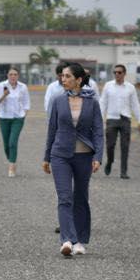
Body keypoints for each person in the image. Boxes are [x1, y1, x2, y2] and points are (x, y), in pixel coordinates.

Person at [43, 62, 104, 257]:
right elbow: (52, 129)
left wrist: (98, 156)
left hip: (84, 156)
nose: (63, 79)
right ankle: (67, 240)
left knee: (80, 198)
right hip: (60, 154)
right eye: (62, 76)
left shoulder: (92, 101)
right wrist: (46, 157)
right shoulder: (57, 100)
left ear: (78, 80)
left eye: (68, 76)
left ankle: (80, 240)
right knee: (64, 197)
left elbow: (98, 131)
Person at [99, 64, 140, 179]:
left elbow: (135, 104)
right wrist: (99, 118)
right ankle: (109, 161)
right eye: (115, 72)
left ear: (124, 74)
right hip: (111, 119)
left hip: (125, 119)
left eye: (119, 72)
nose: (117, 74)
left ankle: (123, 171)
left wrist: (139, 121)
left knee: (125, 146)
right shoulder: (108, 86)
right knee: (110, 145)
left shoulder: (130, 88)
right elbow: (102, 102)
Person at [0, 67, 30, 177]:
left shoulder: (23, 87)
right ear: (7, 76)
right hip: (4, 118)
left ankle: (12, 166)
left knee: (12, 142)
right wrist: (4, 94)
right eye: (11, 74)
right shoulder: (2, 85)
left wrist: (24, 114)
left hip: (18, 118)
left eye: (15, 74)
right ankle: (11, 159)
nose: (13, 76)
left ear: (18, 76)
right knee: (6, 144)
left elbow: (26, 102)